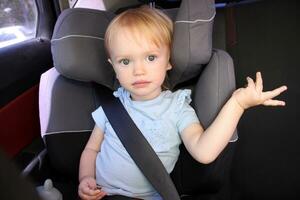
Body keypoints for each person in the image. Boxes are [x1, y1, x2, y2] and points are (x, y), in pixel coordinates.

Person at [78, 6, 287, 200]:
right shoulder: (112, 106)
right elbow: (91, 150)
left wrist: (238, 104)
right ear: (113, 65)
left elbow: (204, 151)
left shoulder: (177, 107)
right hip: (100, 194)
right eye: (125, 61)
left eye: (150, 58)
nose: (138, 70)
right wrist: (85, 178)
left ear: (168, 61)